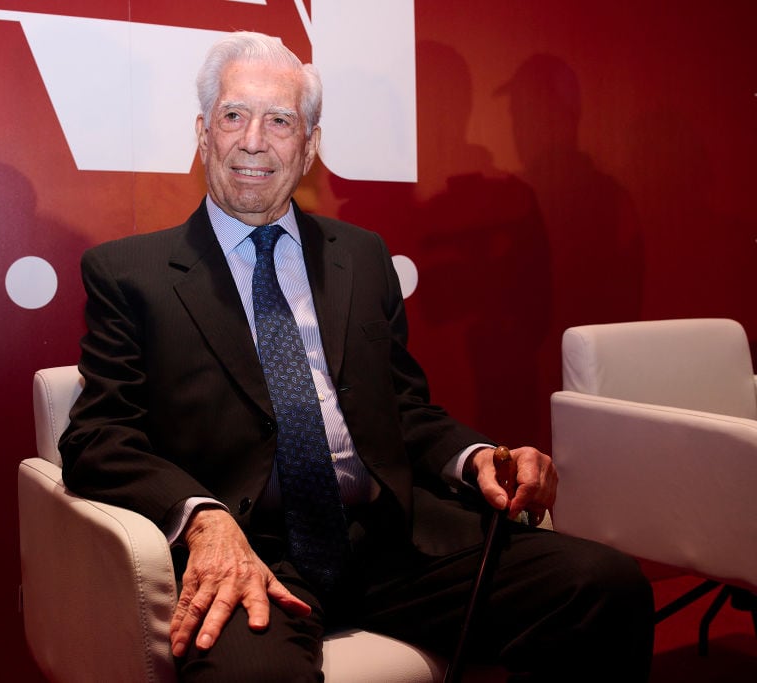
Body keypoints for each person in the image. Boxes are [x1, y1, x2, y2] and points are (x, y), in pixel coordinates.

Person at [60, 31, 653, 682]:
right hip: (256, 552)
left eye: (280, 121)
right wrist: (205, 519)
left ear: (308, 145)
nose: (254, 140)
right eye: (234, 116)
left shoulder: (361, 256)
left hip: (391, 539)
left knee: (605, 583)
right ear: (204, 134)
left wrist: (477, 457)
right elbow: (98, 438)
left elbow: (404, 408)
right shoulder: (130, 273)